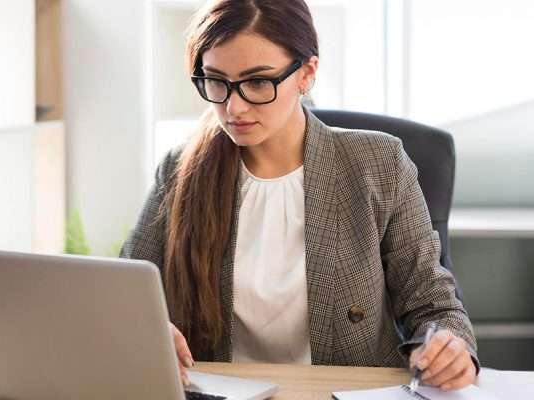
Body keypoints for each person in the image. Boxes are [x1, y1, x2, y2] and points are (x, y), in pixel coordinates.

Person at [121, 0, 478, 391]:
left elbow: (432, 303)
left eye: (257, 82)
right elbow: (125, 293)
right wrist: (149, 330)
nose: (233, 107)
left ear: (307, 73)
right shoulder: (180, 169)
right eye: (216, 82)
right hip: (219, 392)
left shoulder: (379, 162)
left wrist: (450, 344)